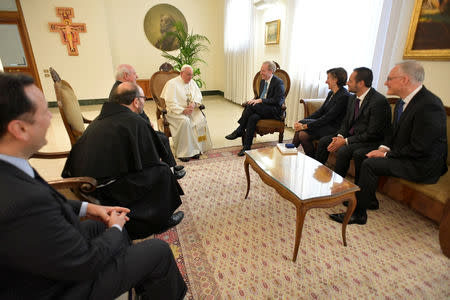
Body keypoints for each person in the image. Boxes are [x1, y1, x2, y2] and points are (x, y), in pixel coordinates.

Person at [0, 73, 186, 299]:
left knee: (102, 227)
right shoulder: (21, 200)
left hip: (42, 259)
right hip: (55, 288)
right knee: (158, 251)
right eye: (43, 111)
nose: (50, 116)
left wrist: (88, 209)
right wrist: (116, 229)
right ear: (18, 129)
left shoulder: (10, 168)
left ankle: (131, 273)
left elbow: (45, 203)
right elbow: (84, 262)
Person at [330, 61, 448, 225]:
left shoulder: (429, 106)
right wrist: (383, 147)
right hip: (408, 155)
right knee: (367, 156)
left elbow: (421, 148)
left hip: (423, 164)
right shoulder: (402, 101)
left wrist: (386, 154)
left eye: (390, 79)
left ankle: (359, 214)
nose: (385, 83)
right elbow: (393, 132)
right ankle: (368, 200)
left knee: (371, 163)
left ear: (405, 80)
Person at [63, 82, 185, 239]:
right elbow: (152, 160)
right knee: (161, 171)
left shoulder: (103, 117)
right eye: (143, 98)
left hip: (82, 183)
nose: (144, 101)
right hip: (104, 189)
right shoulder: (135, 121)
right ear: (135, 101)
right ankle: (160, 222)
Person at [315, 67, 391, 185]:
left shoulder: (378, 101)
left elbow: (372, 133)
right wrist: (340, 136)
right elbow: (346, 121)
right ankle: (317, 175)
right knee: (324, 141)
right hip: (353, 137)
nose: (346, 83)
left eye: (350, 81)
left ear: (361, 83)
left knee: (344, 151)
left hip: (369, 140)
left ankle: (338, 185)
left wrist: (345, 141)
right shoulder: (352, 98)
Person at [111, 64, 185, 179]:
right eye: (134, 73)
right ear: (126, 75)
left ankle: (171, 167)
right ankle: (169, 170)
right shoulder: (123, 91)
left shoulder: (120, 87)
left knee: (161, 137)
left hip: (135, 127)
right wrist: (145, 125)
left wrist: (146, 122)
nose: (137, 76)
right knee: (162, 138)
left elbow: (137, 111)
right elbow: (128, 116)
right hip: (132, 133)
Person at [225, 61, 285, 156]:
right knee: (252, 117)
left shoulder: (278, 83)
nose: (260, 73)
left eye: (263, 71)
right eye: (261, 70)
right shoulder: (262, 81)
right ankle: (246, 147)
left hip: (273, 111)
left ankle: (240, 129)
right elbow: (258, 97)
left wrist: (261, 101)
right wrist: (254, 100)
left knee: (251, 106)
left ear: (271, 71)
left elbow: (278, 101)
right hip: (262, 109)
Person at [292, 67, 350, 157]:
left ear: (335, 80)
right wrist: (302, 121)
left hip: (334, 128)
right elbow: (320, 112)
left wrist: (304, 125)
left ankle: (291, 151)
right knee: (302, 132)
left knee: (302, 133)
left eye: (328, 78)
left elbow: (328, 117)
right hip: (325, 124)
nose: (326, 81)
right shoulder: (331, 93)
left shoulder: (344, 96)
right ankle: (292, 151)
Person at [161, 64, 212, 161]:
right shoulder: (172, 84)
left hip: (191, 110)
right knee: (185, 121)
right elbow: (170, 103)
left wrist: (194, 104)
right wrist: (183, 110)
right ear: (181, 73)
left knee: (200, 119)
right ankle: (184, 153)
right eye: (188, 74)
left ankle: (197, 150)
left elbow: (198, 96)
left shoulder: (192, 82)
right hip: (176, 112)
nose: (190, 77)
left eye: (192, 75)